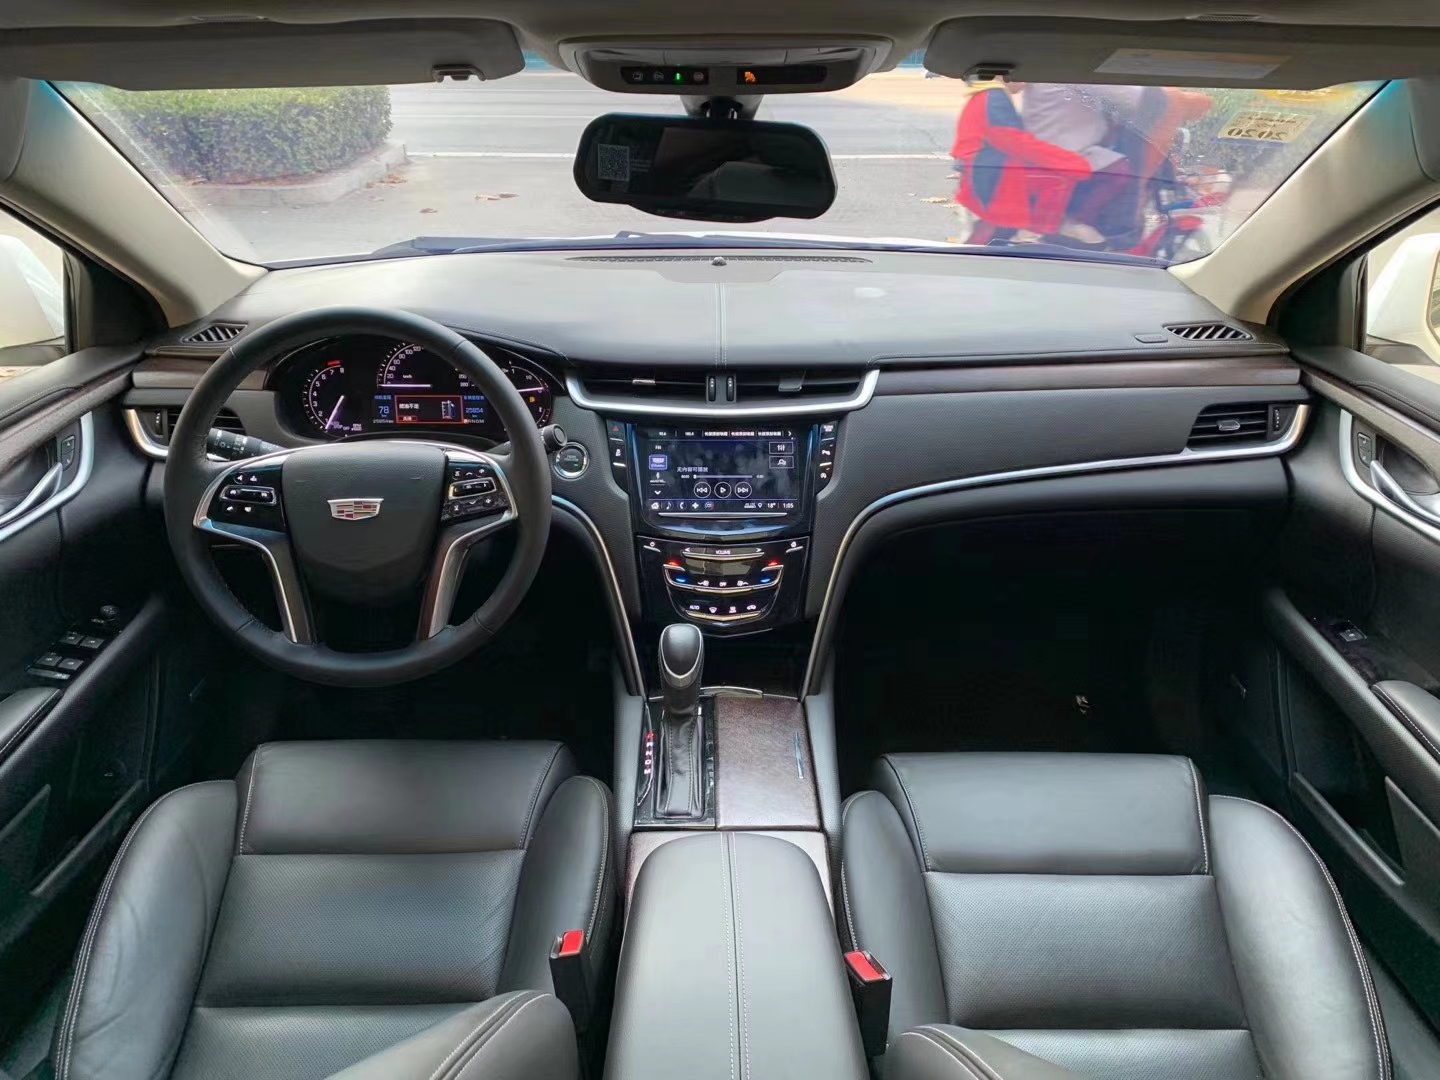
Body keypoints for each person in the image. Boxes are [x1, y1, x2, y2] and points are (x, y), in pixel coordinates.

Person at [950, 81, 1093, 243]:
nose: (1025, 84)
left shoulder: (986, 94)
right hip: (989, 178)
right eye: (1021, 77)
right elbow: (1013, 140)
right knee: (991, 234)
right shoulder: (994, 96)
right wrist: (1068, 162)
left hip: (982, 172)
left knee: (993, 231)